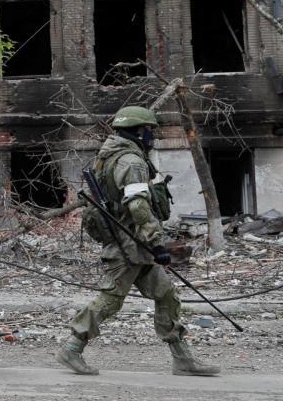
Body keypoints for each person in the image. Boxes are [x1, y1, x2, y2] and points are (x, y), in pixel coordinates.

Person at [57, 106, 219, 376]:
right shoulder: (130, 162)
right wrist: (157, 244)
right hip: (129, 244)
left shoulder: (112, 155)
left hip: (136, 243)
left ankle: (182, 359)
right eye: (148, 131)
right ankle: (72, 349)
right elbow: (139, 207)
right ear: (137, 131)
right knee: (111, 299)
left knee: (166, 294)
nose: (151, 136)